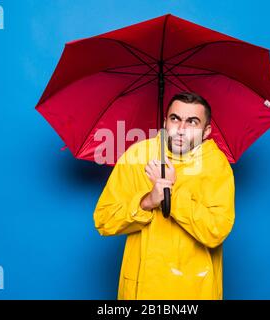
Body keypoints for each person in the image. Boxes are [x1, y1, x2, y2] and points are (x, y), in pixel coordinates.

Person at [93, 92, 236, 300]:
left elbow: (216, 231)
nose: (181, 129)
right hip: (141, 290)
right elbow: (104, 220)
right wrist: (147, 202)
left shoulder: (216, 165)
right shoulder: (137, 155)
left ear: (206, 132)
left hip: (192, 291)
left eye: (192, 122)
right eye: (175, 118)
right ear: (165, 121)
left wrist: (172, 193)